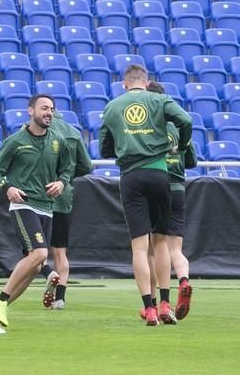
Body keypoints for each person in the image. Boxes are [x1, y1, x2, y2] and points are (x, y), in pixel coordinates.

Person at [99, 65, 192, 326]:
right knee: (161, 242)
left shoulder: (113, 106)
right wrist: (181, 144)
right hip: (159, 173)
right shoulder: (160, 99)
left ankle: (148, 308)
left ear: (124, 85)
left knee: (139, 246)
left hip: (131, 175)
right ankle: (165, 304)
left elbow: (104, 145)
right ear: (147, 82)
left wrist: (119, 148)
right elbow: (186, 120)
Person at [0, 94, 73, 330]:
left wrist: (61, 183)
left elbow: (67, 169)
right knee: (40, 254)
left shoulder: (58, 140)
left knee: (32, 268)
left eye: (51, 108)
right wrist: (8, 187)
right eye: (43, 108)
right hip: (24, 205)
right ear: (30, 111)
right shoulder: (15, 141)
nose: (48, 112)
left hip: (48, 209)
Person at [139, 81, 196, 322]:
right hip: (178, 189)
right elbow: (191, 160)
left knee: (153, 248)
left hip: (157, 187)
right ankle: (183, 280)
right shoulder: (178, 127)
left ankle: (152, 303)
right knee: (175, 250)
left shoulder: (149, 127)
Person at [39, 110, 93, 310]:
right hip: (63, 197)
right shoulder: (73, 132)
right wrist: (66, 178)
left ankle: (47, 273)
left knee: (34, 251)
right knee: (60, 252)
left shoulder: (39, 129)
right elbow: (86, 166)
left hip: (40, 196)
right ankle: (60, 298)